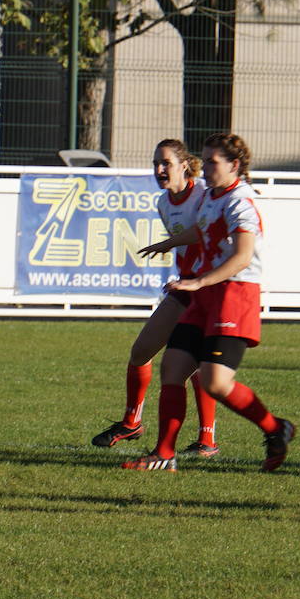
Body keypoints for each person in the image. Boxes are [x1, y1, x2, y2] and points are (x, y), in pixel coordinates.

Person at [129, 132, 294, 473]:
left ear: (235, 165)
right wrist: (169, 243)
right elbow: (202, 230)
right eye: (204, 160)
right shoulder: (211, 196)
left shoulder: (240, 203)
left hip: (234, 295)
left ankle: (275, 428)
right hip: (204, 296)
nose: (204, 167)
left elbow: (243, 256)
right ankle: (164, 454)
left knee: (215, 383)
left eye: (212, 162)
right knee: (172, 369)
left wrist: (199, 280)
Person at [91, 139, 221, 460]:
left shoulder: (204, 195)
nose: (159, 170)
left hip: (210, 290)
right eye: (155, 164)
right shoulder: (164, 203)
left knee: (193, 365)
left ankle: (206, 440)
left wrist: (168, 246)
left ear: (184, 166)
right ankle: (132, 422)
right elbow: (187, 248)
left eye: (166, 163)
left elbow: (206, 233)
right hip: (184, 288)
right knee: (141, 352)